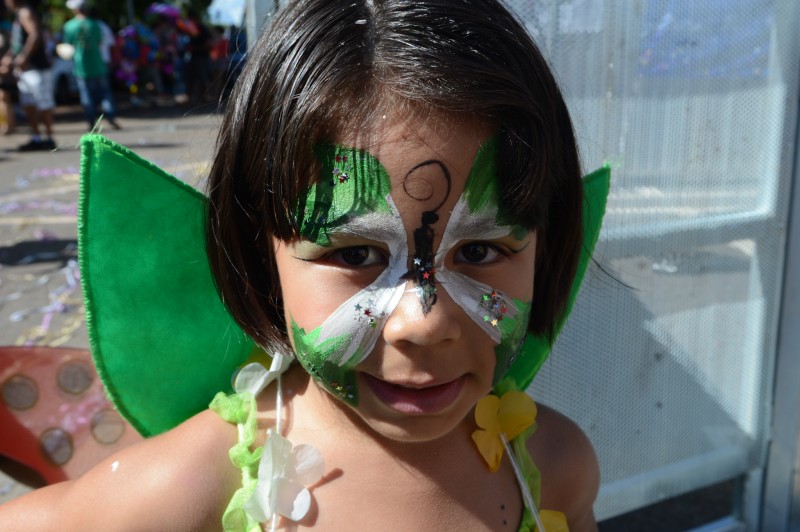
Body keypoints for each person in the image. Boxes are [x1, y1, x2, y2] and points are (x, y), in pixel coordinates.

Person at [0, 0, 603, 529]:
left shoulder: (555, 468)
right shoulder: (187, 490)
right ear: (261, 258)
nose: (423, 323)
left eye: (479, 251)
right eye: (356, 254)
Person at [62, 0, 119, 131]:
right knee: (104, 93)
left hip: (81, 66)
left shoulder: (69, 26)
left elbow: (68, 46)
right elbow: (99, 42)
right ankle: (111, 116)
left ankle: (91, 121)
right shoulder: (95, 24)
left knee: (86, 94)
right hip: (98, 63)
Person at [5, 0, 54, 151]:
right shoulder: (18, 14)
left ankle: (49, 138)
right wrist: (9, 57)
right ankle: (36, 137)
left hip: (36, 68)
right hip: (24, 70)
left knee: (43, 103)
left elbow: (34, 35)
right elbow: (17, 44)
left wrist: (24, 56)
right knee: (28, 104)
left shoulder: (26, 12)